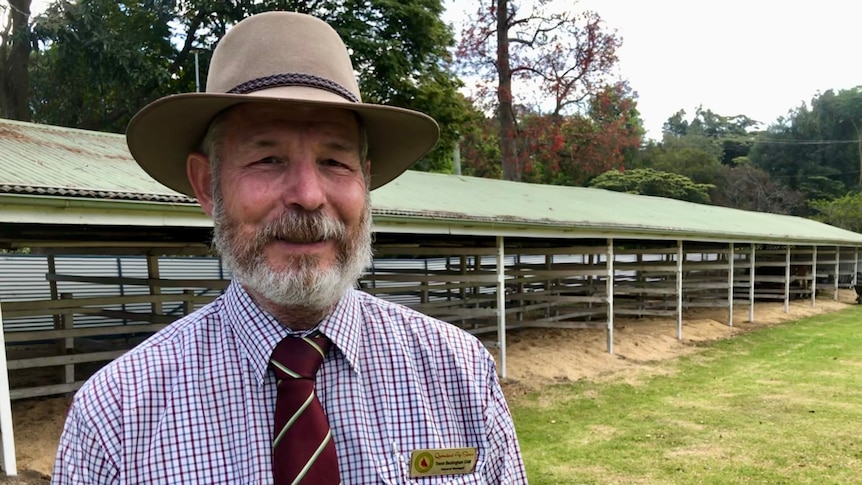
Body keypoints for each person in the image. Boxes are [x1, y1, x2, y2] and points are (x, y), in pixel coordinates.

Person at [52, 11, 527, 484]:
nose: (309, 194)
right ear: (207, 186)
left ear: (364, 179)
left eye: (334, 161)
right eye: (268, 159)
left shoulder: (459, 373)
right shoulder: (116, 417)